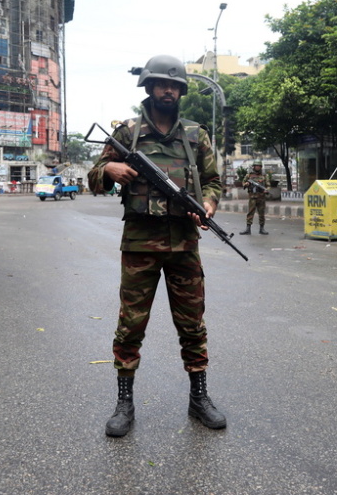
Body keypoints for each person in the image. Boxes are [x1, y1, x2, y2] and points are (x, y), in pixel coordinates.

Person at [87, 54, 227, 438]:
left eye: (175, 85)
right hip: (139, 245)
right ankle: (124, 402)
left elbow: (214, 181)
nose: (169, 90)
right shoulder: (127, 132)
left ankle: (199, 398)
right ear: (148, 87)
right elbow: (93, 178)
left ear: (181, 90)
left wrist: (210, 204)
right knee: (130, 325)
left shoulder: (196, 135)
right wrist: (110, 170)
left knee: (192, 324)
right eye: (162, 84)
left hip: (184, 244)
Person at [239, 160, 268, 235]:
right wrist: (247, 184)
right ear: (254, 166)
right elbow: (243, 183)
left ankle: (262, 228)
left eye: (259, 166)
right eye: (256, 166)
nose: (257, 167)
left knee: (261, 213)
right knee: (250, 213)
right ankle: (248, 229)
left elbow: (268, 185)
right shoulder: (249, 175)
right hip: (252, 197)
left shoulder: (264, 175)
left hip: (261, 197)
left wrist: (266, 190)